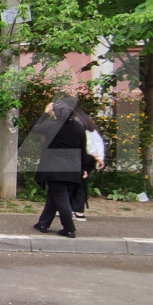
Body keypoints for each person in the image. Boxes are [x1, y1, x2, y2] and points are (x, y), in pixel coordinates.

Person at [31, 95, 86, 238]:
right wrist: (84, 168)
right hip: (72, 169)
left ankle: (69, 228)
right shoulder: (79, 128)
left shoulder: (52, 126)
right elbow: (82, 149)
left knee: (61, 199)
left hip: (55, 169)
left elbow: (34, 128)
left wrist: (45, 113)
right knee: (54, 196)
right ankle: (43, 223)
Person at [70, 106, 105, 222]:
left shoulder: (74, 122)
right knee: (81, 183)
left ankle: (76, 211)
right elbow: (97, 141)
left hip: (81, 155)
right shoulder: (87, 122)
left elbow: (83, 143)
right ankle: (77, 210)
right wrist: (99, 157)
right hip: (90, 156)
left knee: (74, 183)